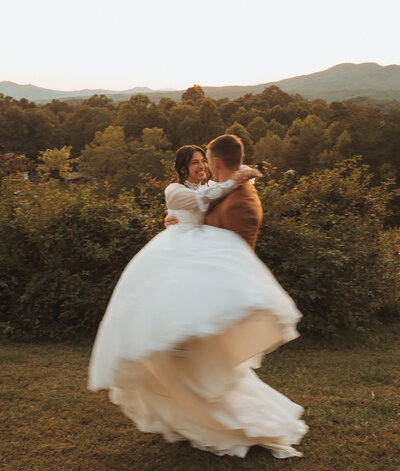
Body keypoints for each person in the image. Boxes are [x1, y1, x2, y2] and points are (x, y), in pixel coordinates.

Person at [88, 135, 308, 459]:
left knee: (198, 321)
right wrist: (235, 178)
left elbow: (213, 199)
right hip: (176, 251)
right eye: (195, 162)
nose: (202, 166)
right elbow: (204, 200)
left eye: (204, 161)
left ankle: (194, 369)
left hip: (200, 251)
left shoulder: (215, 191)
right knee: (170, 311)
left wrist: (236, 178)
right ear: (182, 168)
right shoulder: (174, 190)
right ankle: (176, 351)